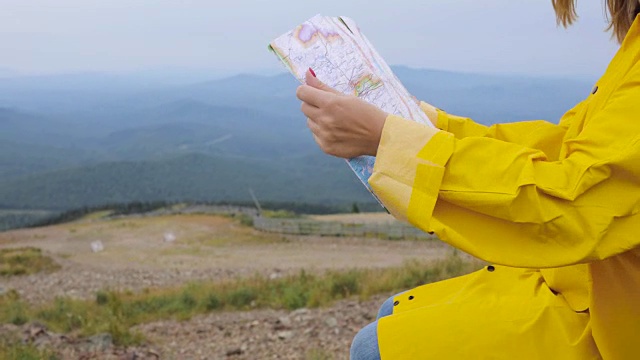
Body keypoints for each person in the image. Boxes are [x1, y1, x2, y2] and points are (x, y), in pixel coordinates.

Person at [296, 1, 640, 359]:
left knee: (373, 348)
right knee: (392, 314)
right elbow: (567, 149)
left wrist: (390, 140)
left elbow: (577, 201)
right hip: (585, 287)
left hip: (613, 321)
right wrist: (422, 127)